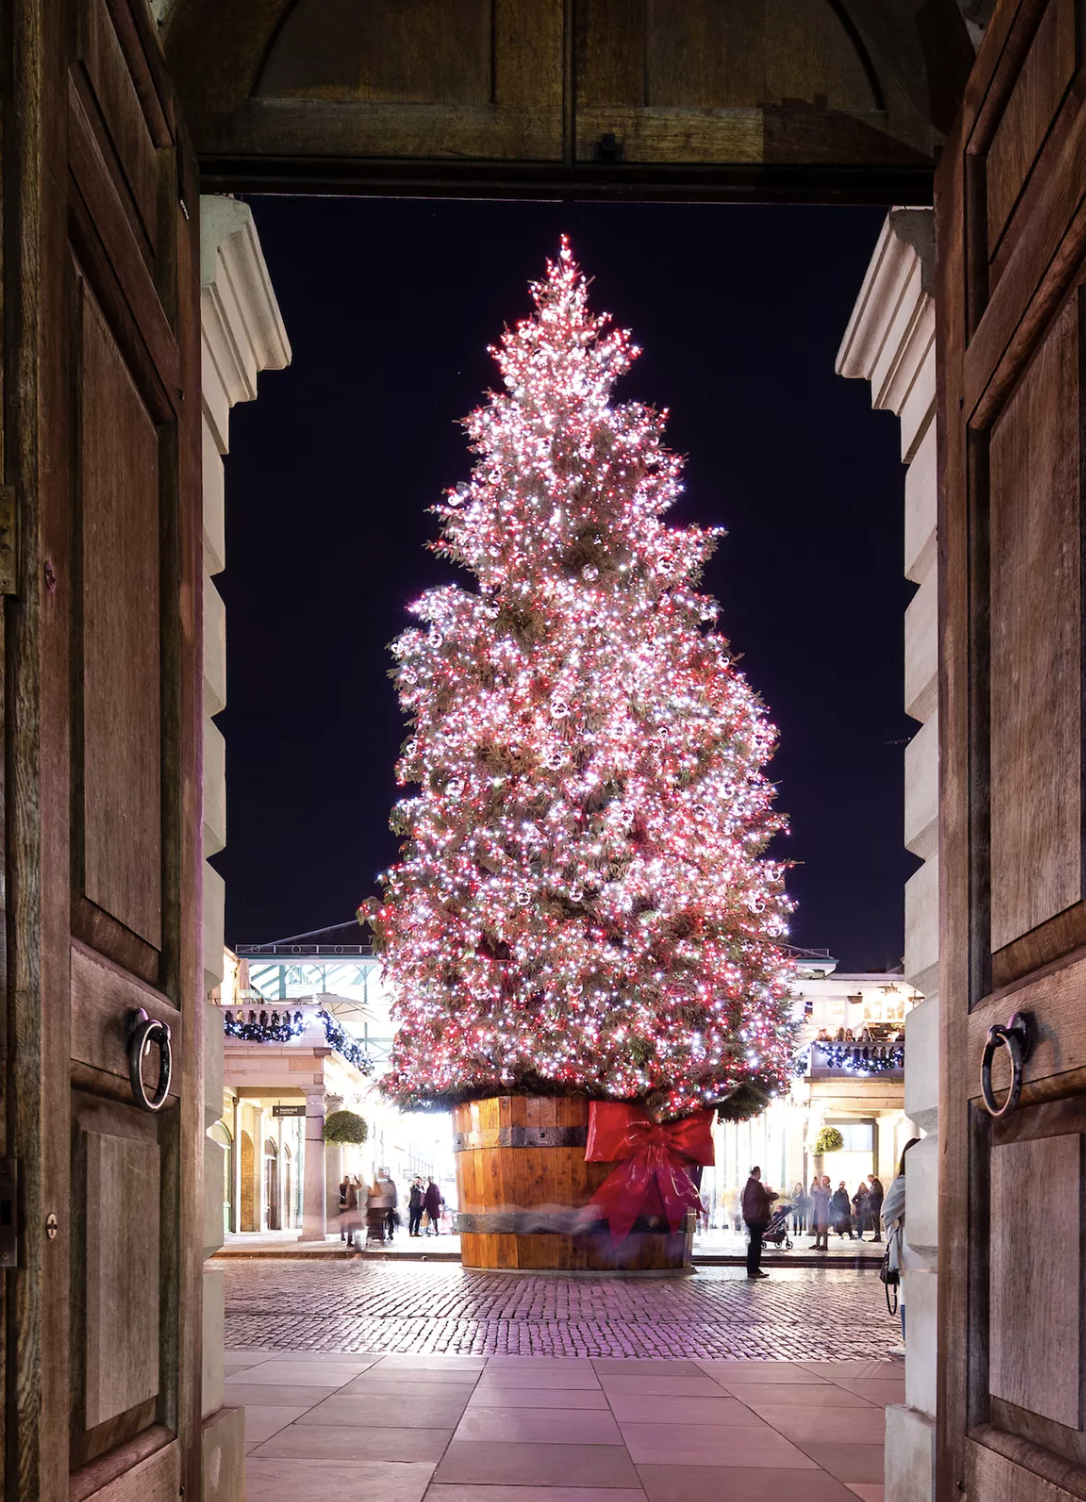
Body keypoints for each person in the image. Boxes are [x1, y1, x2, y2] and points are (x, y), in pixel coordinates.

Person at [883, 1138, 920, 1349]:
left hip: (927, 1238)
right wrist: (895, 1235)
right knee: (908, 1288)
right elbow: (887, 1213)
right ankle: (908, 1336)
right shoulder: (903, 1181)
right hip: (909, 1241)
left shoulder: (928, 1178)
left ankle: (917, 1335)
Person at [741, 1165, 777, 1280]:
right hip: (756, 1218)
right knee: (755, 1244)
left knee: (755, 1243)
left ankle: (754, 1268)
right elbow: (765, 1197)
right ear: (757, 1173)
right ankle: (753, 1269)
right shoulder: (755, 1186)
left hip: (753, 1217)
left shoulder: (750, 1185)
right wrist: (773, 1194)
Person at [810, 1175, 831, 1250]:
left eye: (824, 1180)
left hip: (823, 1211)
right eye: (822, 1180)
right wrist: (813, 1184)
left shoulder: (828, 1189)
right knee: (816, 1227)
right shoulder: (819, 1189)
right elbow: (812, 1194)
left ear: (828, 1181)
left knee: (823, 1228)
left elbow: (824, 1194)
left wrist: (818, 1187)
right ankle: (817, 1243)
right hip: (816, 1209)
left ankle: (825, 1245)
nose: (822, 1181)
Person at [865, 1172, 885, 1242]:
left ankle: (877, 1236)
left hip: (875, 1205)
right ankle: (877, 1235)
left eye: (869, 1179)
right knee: (875, 1222)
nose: (869, 1181)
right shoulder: (875, 1184)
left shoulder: (876, 1184)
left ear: (872, 1178)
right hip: (875, 1205)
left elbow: (874, 1195)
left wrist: (867, 1196)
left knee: (876, 1221)